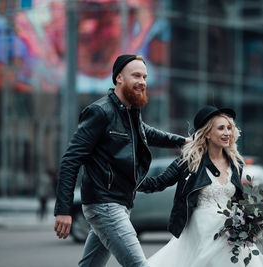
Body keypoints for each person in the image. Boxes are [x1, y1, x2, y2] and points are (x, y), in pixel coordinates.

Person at [54, 54, 188, 267]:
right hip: (105, 205)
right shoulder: (100, 112)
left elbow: (148, 134)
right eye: (136, 76)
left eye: (144, 77)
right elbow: (71, 159)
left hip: (120, 203)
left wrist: (184, 142)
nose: (142, 82)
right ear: (119, 78)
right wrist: (63, 209)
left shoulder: (130, 113)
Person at [138, 106, 263, 267]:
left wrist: (247, 220)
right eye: (221, 128)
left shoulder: (236, 163)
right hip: (200, 230)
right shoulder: (188, 161)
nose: (227, 132)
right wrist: (125, 178)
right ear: (207, 133)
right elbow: (157, 183)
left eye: (229, 128)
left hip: (229, 233)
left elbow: (237, 199)